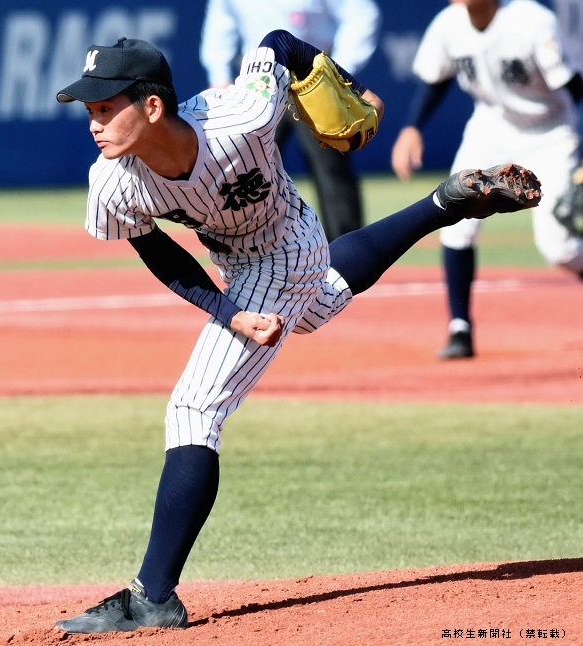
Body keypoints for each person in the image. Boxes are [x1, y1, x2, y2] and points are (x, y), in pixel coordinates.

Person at [53, 31, 540, 634]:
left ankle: (152, 595)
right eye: (90, 109)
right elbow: (158, 251)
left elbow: (279, 43)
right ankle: (443, 204)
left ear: (152, 106)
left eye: (105, 107)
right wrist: (228, 311)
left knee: (195, 410)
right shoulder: (114, 181)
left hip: (284, 247)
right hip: (242, 263)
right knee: (319, 304)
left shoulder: (243, 115)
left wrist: (357, 90)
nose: (94, 123)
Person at [391, 0, 583, 360]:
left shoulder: (532, 20)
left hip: (551, 133)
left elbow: (574, 87)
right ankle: (459, 328)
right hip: (490, 129)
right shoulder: (448, 24)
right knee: (454, 223)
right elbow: (435, 80)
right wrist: (412, 127)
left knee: (559, 247)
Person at [199, 0, 382, 241]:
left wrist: (335, 73)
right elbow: (220, 22)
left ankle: (345, 250)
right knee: (244, 172)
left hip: (313, 84)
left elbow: (362, 14)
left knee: (331, 173)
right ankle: (245, 246)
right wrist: (219, 75)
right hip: (258, 85)